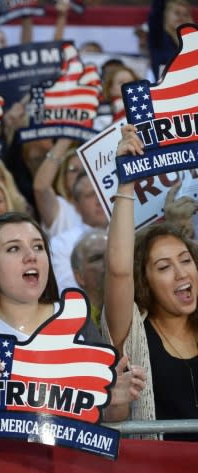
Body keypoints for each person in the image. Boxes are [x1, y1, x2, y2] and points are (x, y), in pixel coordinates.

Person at [0, 212, 145, 425]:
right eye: (14, 248)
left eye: (38, 247)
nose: (31, 256)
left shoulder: (74, 316)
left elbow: (108, 416)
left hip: (67, 457)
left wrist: (114, 402)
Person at [103, 124, 198, 441]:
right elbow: (118, 269)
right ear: (144, 281)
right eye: (164, 266)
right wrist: (127, 183)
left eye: (186, 260)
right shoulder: (132, 332)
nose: (182, 273)